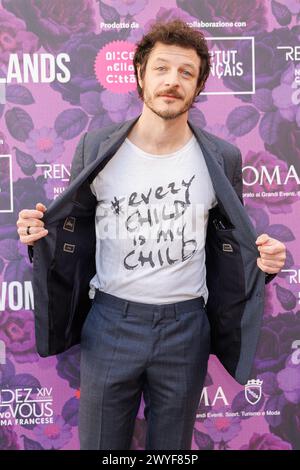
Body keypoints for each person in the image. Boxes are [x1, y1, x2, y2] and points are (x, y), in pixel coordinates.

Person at [16, 20, 286, 450]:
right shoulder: (96, 147)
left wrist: (263, 265)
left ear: (197, 88)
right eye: (161, 68)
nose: (172, 82)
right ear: (140, 75)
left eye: (186, 73)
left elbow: (229, 245)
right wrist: (38, 236)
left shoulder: (223, 158)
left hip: (185, 328)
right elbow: (72, 231)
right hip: (109, 322)